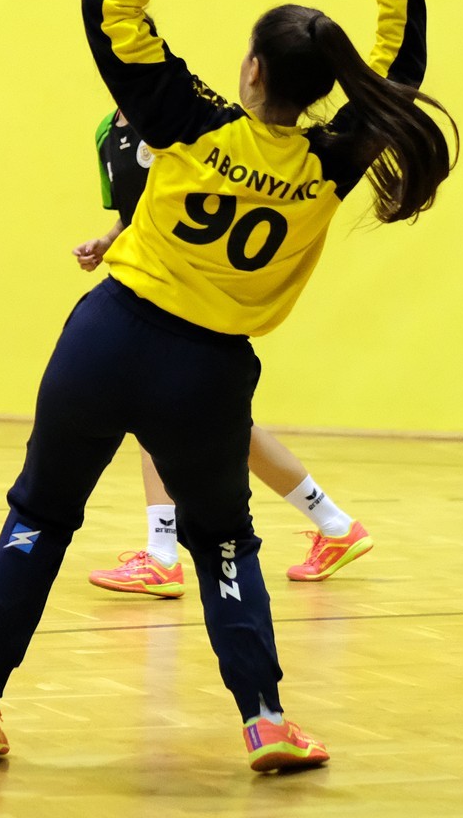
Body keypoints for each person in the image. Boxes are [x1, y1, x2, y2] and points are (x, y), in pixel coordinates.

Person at [0, 0, 454, 773]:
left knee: (40, 515)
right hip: (208, 370)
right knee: (223, 543)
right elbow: (400, 73)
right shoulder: (332, 160)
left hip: (106, 335)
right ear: (321, 88)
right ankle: (264, 722)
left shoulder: (187, 120)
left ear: (251, 69)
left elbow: (109, 6)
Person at [78, 108, 373, 598]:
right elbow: (134, 213)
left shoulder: (178, 119)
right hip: (157, 293)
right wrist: (107, 241)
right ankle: (336, 526)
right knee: (225, 427)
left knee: (159, 411)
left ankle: (162, 556)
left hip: (191, 295)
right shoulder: (106, 132)